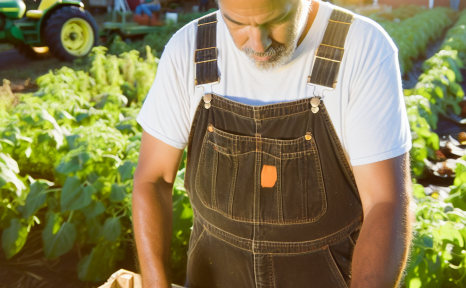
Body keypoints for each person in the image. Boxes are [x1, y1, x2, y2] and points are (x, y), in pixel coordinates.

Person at [132, 0, 413, 287]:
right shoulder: (189, 49)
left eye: (275, 21)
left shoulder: (362, 48)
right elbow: (153, 179)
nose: (258, 43)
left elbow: (384, 202)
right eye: (237, 24)